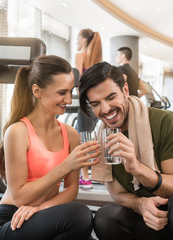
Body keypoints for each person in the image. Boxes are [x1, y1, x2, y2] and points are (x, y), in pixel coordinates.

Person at [78, 62, 173, 240]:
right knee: (106, 217)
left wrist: (136, 167)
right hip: (145, 215)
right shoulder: (101, 137)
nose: (105, 109)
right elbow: (117, 194)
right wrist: (140, 204)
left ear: (125, 90)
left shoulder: (166, 121)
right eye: (95, 104)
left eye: (111, 97)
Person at [0, 55, 100, 240]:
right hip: (12, 221)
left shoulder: (69, 133)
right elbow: (21, 197)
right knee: (80, 215)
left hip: (42, 215)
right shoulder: (18, 131)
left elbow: (71, 190)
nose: (69, 100)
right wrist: (67, 165)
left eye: (71, 92)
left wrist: (40, 209)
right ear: (37, 91)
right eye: (62, 93)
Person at [75, 28, 102, 189]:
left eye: (78, 39)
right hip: (95, 105)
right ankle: (85, 175)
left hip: (85, 103)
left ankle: (85, 177)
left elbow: (78, 80)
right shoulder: (97, 59)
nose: (77, 43)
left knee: (83, 139)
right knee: (86, 137)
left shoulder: (80, 56)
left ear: (84, 40)